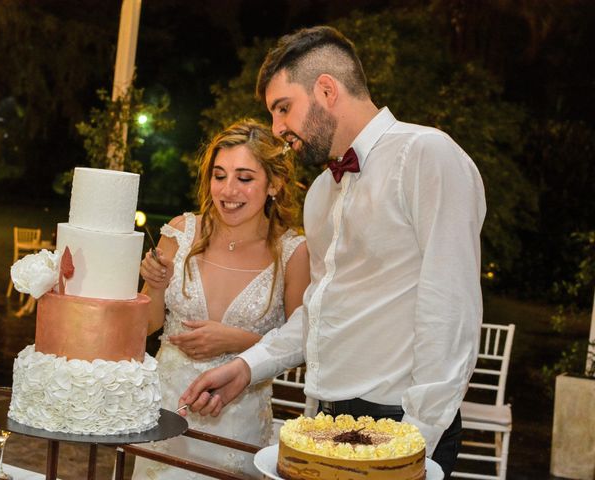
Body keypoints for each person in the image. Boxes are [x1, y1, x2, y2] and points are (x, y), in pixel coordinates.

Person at [179, 25, 487, 478]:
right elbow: (319, 308)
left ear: (326, 90)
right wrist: (248, 367)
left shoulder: (427, 155)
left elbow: (451, 310)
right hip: (322, 420)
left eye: (283, 109)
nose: (277, 130)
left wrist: (414, 441)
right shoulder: (321, 192)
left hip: (402, 422)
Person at [131, 119, 310, 479]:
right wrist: (154, 285)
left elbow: (304, 342)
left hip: (238, 424)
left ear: (274, 184)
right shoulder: (181, 232)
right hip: (165, 413)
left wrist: (240, 341)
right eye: (219, 175)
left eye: (244, 178)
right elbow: (146, 325)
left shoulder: (294, 252)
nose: (228, 191)